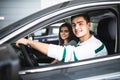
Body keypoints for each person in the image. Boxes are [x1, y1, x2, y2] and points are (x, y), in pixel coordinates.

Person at [16, 13, 108, 62]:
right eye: (73, 25)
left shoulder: (94, 46)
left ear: (88, 25)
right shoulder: (83, 42)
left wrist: (28, 42)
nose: (76, 28)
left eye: (80, 24)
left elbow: (64, 53)